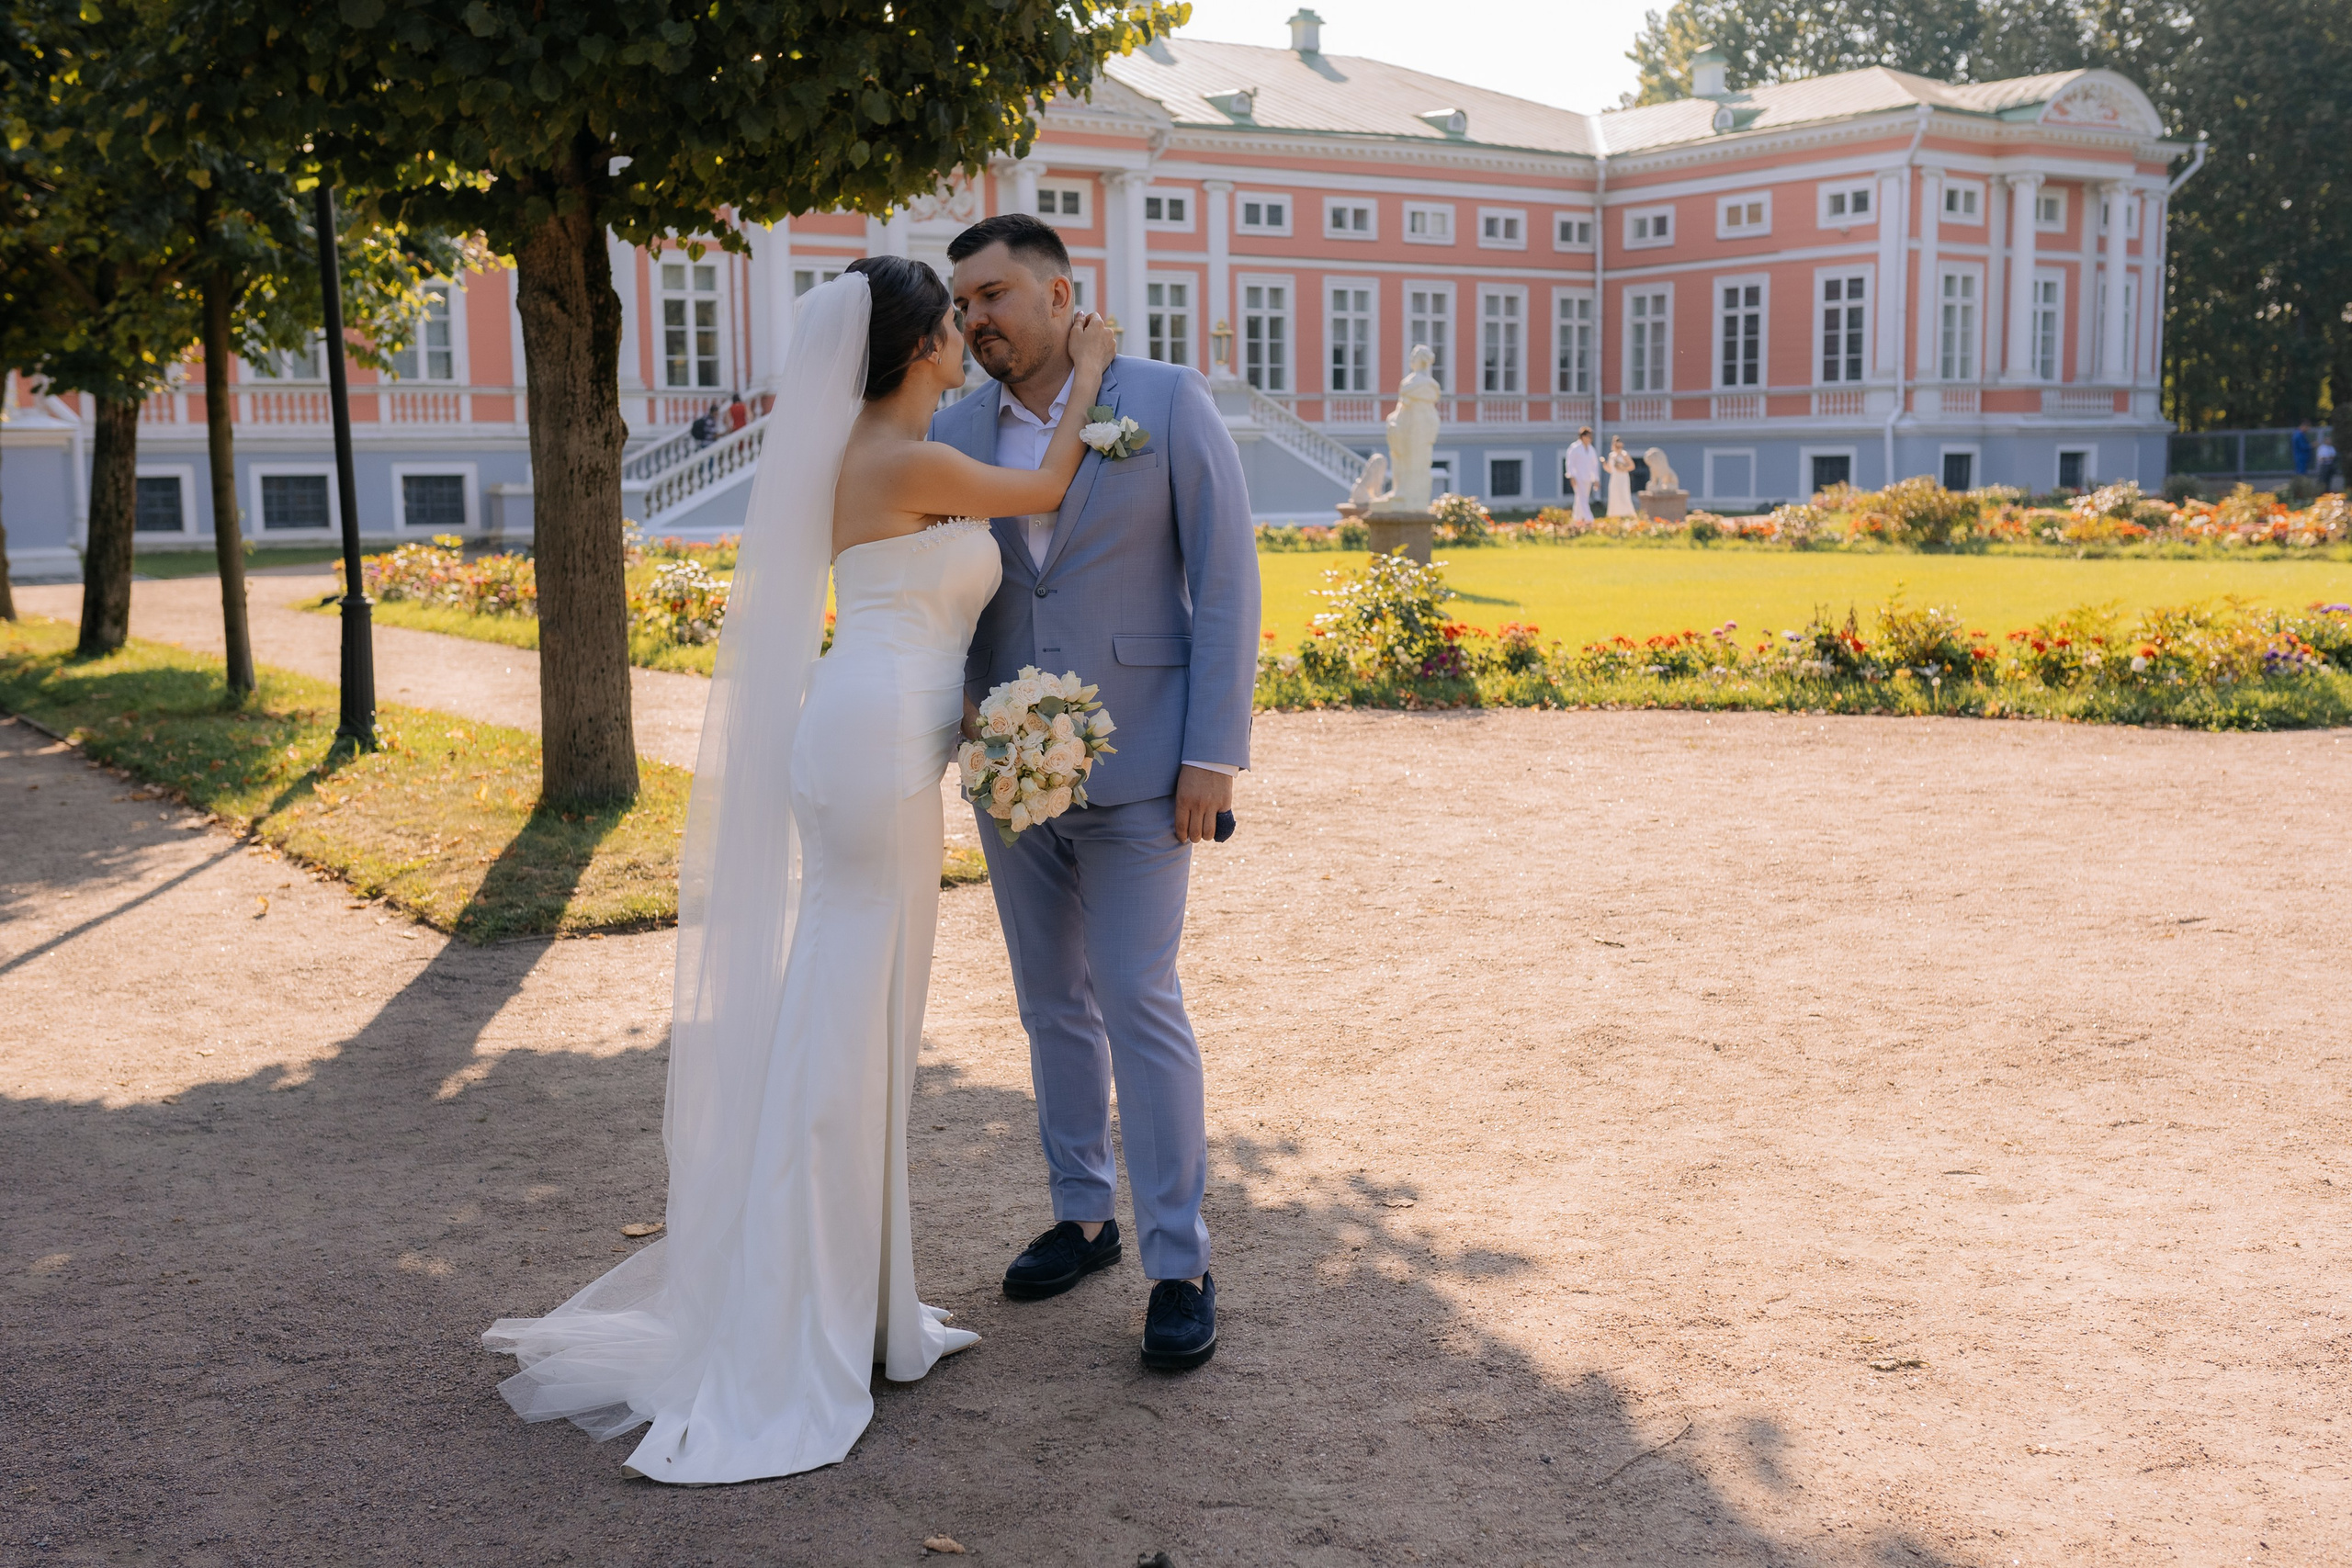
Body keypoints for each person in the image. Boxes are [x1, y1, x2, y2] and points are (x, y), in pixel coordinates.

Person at [482, 259, 1120, 1485]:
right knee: (841, 1035)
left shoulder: (871, 451)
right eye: (951, 321)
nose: (963, 335)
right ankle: (791, 1322)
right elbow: (1045, 482)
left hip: (875, 738)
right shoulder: (896, 459)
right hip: (874, 746)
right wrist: (1088, 370)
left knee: (862, 1026)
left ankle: (864, 1303)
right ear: (918, 345)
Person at [931, 213, 1258, 1373]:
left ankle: (1180, 1261)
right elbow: (952, 592)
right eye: (961, 303)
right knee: (1048, 1003)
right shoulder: (953, 427)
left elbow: (1225, 579)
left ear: (1064, 294)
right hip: (1009, 771)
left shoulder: (1164, 400)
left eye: (993, 295)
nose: (974, 320)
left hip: (1148, 762)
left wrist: (1213, 752)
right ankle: (1082, 1215)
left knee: (1135, 994)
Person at [1562, 426, 1600, 523]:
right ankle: (1589, 519)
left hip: (1587, 477)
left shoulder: (1591, 449)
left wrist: (1596, 479)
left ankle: (1577, 518)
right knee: (1582, 497)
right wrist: (1571, 476)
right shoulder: (1574, 448)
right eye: (1588, 436)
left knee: (1581, 498)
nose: (1590, 439)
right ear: (1583, 437)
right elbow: (1570, 462)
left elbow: (1594, 465)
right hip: (1578, 477)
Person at [1603, 435, 1638, 518]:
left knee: (1624, 494)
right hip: (1614, 478)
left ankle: (1627, 513)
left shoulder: (1624, 454)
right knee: (1614, 495)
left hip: (1622, 477)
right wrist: (1604, 464)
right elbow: (1610, 469)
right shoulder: (1611, 455)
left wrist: (1623, 468)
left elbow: (1632, 466)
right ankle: (1614, 514)